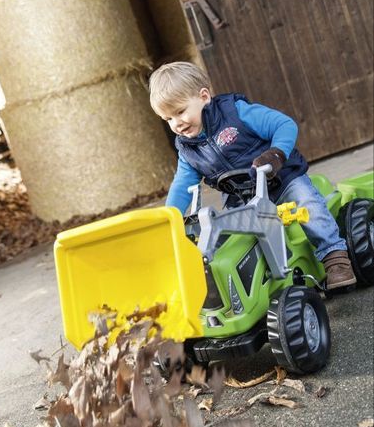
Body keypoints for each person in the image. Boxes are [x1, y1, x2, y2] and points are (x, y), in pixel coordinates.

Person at [148, 61, 356, 290]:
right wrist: (170, 217)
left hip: (282, 180)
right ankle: (253, 286)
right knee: (226, 235)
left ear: (204, 96)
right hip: (243, 199)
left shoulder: (236, 112)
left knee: (307, 203)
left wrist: (276, 155)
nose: (177, 123)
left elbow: (284, 125)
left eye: (180, 111)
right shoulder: (188, 149)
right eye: (168, 119)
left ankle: (335, 257)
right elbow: (182, 184)